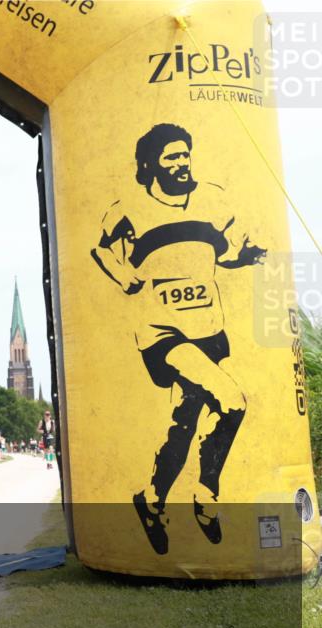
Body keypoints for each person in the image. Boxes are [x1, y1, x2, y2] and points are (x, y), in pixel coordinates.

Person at [92, 123, 263, 555]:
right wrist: (123, 274)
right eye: (171, 156)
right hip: (162, 332)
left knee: (182, 425)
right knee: (233, 400)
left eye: (185, 154)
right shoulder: (129, 207)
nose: (181, 162)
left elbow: (222, 255)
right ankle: (206, 496)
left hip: (210, 327)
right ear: (150, 164)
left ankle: (150, 500)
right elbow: (102, 248)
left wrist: (245, 257)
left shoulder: (212, 200)